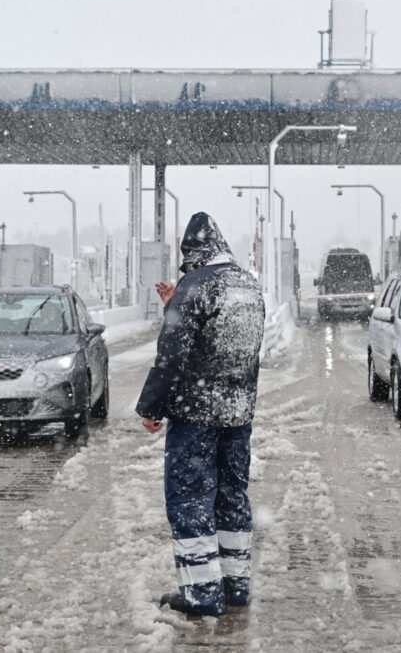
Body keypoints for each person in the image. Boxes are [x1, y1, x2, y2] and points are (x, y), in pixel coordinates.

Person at [136, 212, 266, 616]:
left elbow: (171, 356)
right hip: (237, 414)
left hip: (196, 415)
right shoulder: (247, 285)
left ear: (194, 253)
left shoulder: (194, 287)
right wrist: (177, 301)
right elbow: (225, 340)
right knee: (231, 498)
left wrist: (151, 408)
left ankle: (201, 594)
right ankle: (235, 585)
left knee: (191, 500)